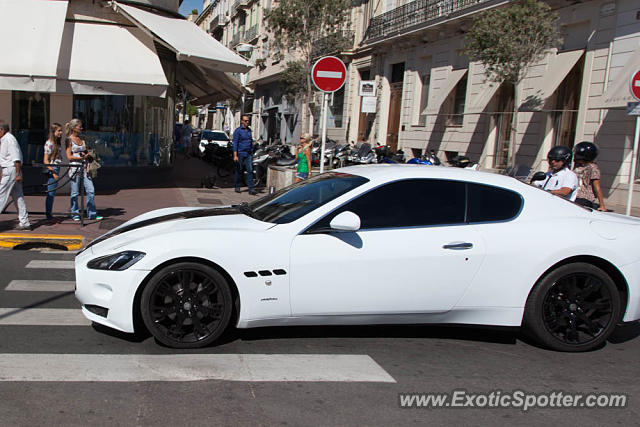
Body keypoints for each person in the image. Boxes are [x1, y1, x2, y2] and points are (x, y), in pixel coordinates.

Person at [65, 119, 102, 221]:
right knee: (75, 192)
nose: (81, 128)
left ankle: (92, 213)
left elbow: (85, 151)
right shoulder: (69, 140)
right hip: (75, 168)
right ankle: (75, 213)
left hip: (85, 168)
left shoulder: (82, 140)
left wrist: (87, 155)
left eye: (81, 127)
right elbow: (69, 156)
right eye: (79, 126)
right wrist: (81, 158)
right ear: (73, 127)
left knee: (91, 190)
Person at [0, 121, 31, 230]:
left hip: (12, 170)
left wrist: (17, 174)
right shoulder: (4, 140)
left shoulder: (9, 140)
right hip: (10, 170)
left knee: (1, 195)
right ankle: (25, 222)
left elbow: (16, 158)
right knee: (18, 197)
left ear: (2, 130)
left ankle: (25, 222)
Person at [573, 141, 607, 211]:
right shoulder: (577, 166)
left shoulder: (593, 168)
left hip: (584, 198)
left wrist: (602, 205)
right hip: (574, 195)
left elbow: (596, 187)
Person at [43, 123, 64, 222]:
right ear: (53, 131)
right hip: (53, 168)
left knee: (52, 192)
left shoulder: (57, 142)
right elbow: (46, 160)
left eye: (61, 130)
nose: (61, 132)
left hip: (57, 167)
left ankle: (49, 213)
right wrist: (54, 172)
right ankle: (48, 215)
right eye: (59, 131)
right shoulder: (50, 143)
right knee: (50, 193)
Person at [233, 114, 256, 195]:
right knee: (239, 170)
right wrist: (235, 155)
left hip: (248, 153)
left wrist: (252, 151)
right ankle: (237, 186)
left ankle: (251, 188)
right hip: (240, 153)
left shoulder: (249, 130)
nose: (247, 122)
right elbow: (235, 143)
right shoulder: (238, 131)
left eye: (248, 121)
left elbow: (250, 142)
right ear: (242, 121)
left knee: (250, 170)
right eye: (245, 121)